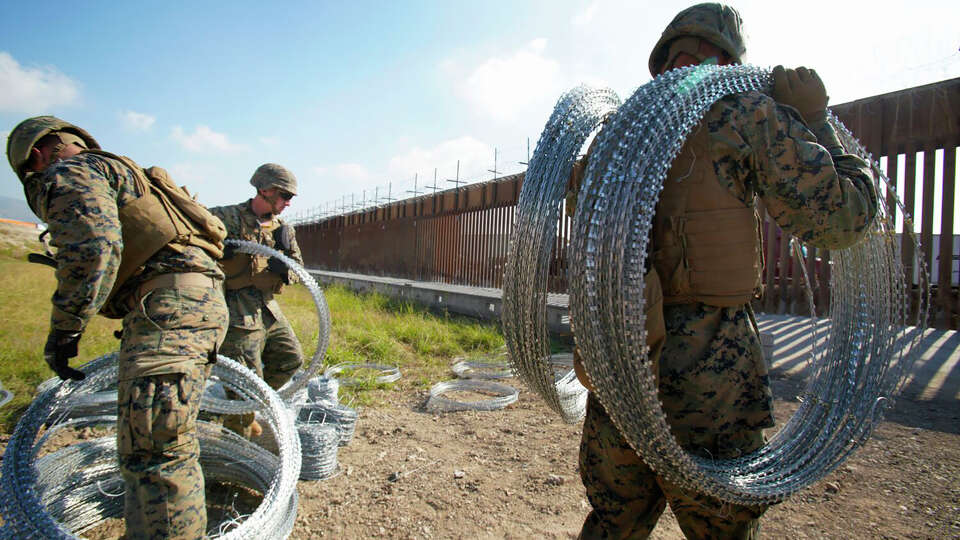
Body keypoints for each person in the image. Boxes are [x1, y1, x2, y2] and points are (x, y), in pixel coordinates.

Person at [568, 3, 879, 538]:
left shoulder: (614, 137)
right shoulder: (746, 113)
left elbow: (582, 214)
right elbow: (842, 220)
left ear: (667, 53)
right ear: (728, 56)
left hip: (618, 356)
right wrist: (817, 124)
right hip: (709, 366)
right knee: (723, 527)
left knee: (615, 521)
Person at [6, 116, 229, 539]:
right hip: (191, 305)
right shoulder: (123, 170)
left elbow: (94, 246)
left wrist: (66, 329)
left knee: (155, 452)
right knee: (159, 446)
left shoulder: (68, 172)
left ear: (37, 156)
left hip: (169, 312)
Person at [209, 163, 305, 438]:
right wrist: (222, 252)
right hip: (236, 308)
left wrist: (284, 268)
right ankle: (236, 435)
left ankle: (245, 408)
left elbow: (298, 269)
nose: (288, 203)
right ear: (265, 190)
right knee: (246, 380)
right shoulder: (225, 218)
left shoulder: (282, 230)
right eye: (284, 196)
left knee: (290, 358)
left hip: (267, 307)